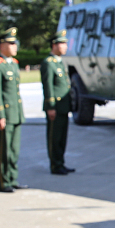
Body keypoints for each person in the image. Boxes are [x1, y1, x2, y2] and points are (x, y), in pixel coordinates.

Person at [0, 27, 27, 192]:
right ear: (2, 45)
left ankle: (13, 177)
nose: (15, 46)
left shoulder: (14, 64)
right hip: (6, 114)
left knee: (14, 149)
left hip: (16, 113)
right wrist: (0, 115)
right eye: (11, 43)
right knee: (5, 150)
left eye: (15, 43)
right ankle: (4, 181)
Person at [41, 29, 74, 175]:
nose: (65, 46)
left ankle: (61, 162)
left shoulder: (59, 62)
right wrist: (50, 106)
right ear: (54, 45)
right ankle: (55, 165)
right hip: (55, 107)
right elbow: (48, 86)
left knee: (62, 137)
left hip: (63, 106)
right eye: (63, 44)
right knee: (54, 138)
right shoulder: (49, 63)